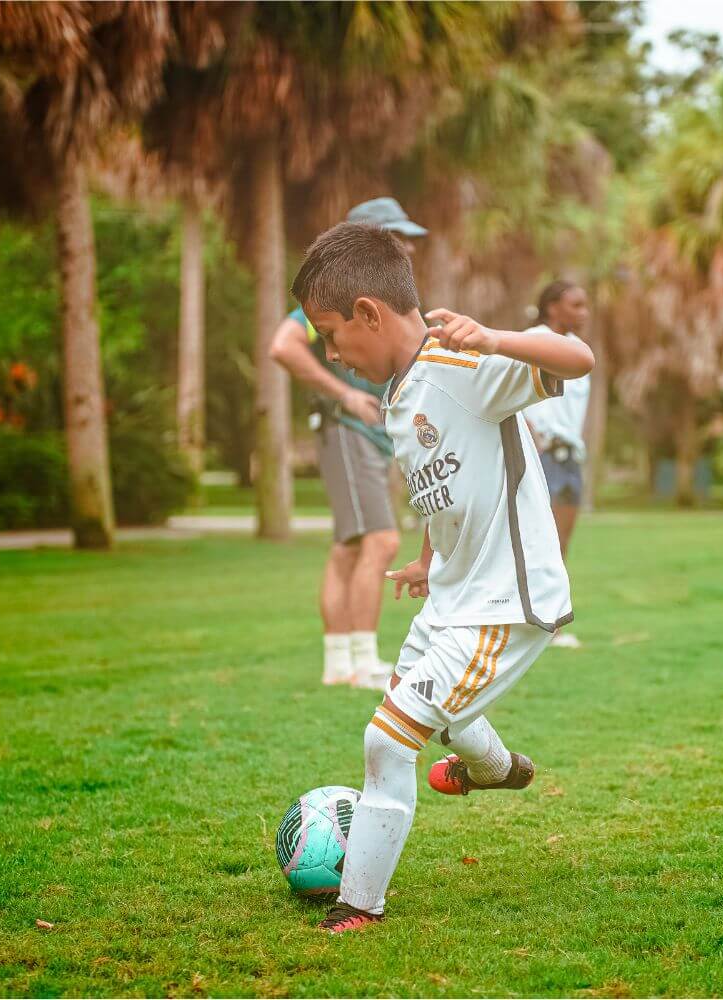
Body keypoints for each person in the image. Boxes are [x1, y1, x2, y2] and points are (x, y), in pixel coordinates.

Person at [289, 222, 594, 934]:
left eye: (333, 335)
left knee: (388, 740)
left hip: (505, 603)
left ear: (369, 311)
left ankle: (358, 906)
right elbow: (444, 480)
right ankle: (496, 767)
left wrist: (495, 339)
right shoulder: (399, 395)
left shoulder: (463, 365)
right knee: (432, 711)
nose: (333, 354)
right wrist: (429, 558)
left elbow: (577, 357)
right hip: (453, 596)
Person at [268, 198, 428, 689]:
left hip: (369, 438)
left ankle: (339, 662)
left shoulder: (377, 298)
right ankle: (362, 662)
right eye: (396, 235)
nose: (407, 247)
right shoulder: (331, 298)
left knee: (347, 548)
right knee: (379, 541)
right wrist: (344, 395)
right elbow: (283, 345)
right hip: (347, 431)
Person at [523, 280, 592, 649]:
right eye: (576, 305)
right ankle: (533, 622)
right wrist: (533, 436)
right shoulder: (532, 340)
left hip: (570, 456)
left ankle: (552, 624)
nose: (584, 312)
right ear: (552, 307)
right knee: (539, 541)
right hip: (542, 454)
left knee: (561, 544)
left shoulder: (580, 351)